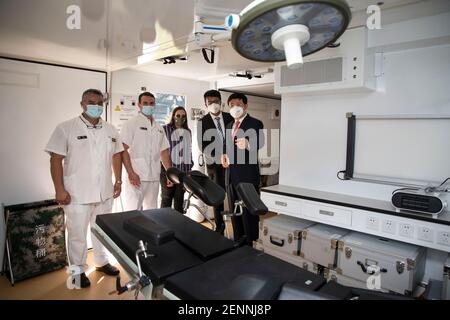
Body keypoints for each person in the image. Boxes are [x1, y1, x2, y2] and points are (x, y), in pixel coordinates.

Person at [45, 89, 123, 288]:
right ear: (82, 104)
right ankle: (77, 271)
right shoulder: (66, 128)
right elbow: (56, 159)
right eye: (91, 102)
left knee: (101, 231)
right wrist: (59, 190)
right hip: (77, 193)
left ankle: (101, 261)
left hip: (104, 192)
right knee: (77, 234)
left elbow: (116, 155)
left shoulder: (111, 129)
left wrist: (118, 180)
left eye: (99, 103)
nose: (96, 106)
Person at [222, 93, 264, 246]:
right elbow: (227, 146)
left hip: (247, 175)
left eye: (238, 104)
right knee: (235, 209)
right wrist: (224, 155)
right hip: (231, 174)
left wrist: (248, 144)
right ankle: (239, 239)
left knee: (249, 210)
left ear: (246, 106)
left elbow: (259, 142)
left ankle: (252, 241)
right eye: (231, 105)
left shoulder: (255, 123)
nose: (235, 108)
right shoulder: (228, 125)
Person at [120, 92, 172, 211]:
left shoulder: (159, 127)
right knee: (133, 212)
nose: (149, 106)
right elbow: (122, 149)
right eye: (145, 103)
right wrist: (130, 172)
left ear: (155, 105)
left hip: (154, 177)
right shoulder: (131, 124)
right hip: (136, 177)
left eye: (151, 103)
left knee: (152, 212)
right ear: (139, 105)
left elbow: (164, 152)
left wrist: (169, 174)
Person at [198, 90, 234, 234]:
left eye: (216, 101)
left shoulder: (230, 117)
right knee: (218, 196)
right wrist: (219, 157)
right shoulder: (203, 122)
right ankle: (220, 226)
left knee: (233, 193)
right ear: (206, 104)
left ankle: (237, 223)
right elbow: (203, 145)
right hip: (214, 165)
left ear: (221, 102)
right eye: (210, 102)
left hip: (232, 163)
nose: (214, 104)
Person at [160, 106, 193, 213]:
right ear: (173, 116)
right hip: (167, 170)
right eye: (178, 115)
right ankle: (164, 227)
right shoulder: (164, 129)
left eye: (183, 116)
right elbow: (162, 151)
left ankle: (178, 227)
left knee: (179, 201)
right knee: (166, 199)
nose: (180, 118)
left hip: (182, 172)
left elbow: (188, 153)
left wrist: (188, 172)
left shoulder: (188, 131)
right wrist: (168, 174)